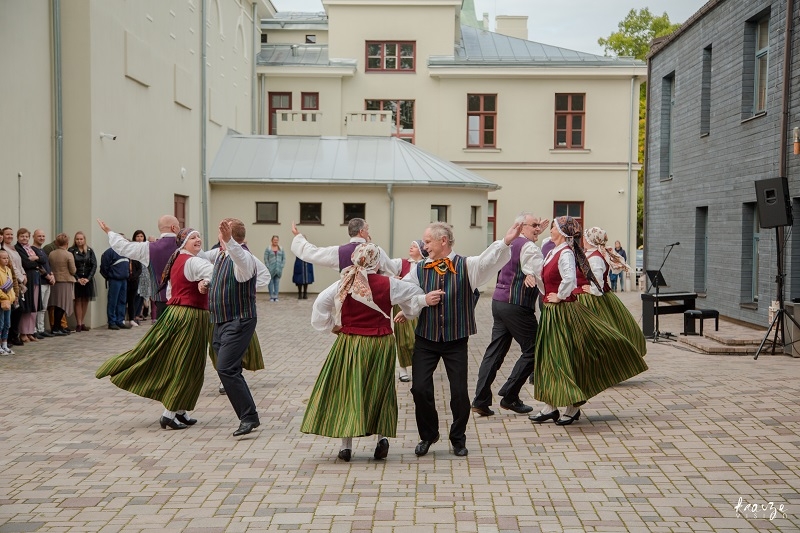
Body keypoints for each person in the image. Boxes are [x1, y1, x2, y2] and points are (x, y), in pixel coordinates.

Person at [401, 221, 522, 458]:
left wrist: (505, 242)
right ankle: (428, 435)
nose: (424, 246)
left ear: (442, 241)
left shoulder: (467, 265)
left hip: (456, 339)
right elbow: (405, 294)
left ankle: (458, 438)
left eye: (427, 242)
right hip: (426, 338)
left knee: (458, 392)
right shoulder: (418, 269)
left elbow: (489, 260)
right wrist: (423, 300)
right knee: (419, 388)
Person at [302, 243, 425, 461]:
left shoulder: (344, 282)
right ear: (377, 262)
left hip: (351, 344)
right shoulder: (389, 284)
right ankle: (381, 439)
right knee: (381, 388)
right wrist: (407, 312)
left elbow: (320, 305)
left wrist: (332, 326)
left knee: (349, 389)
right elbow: (415, 293)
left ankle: (346, 447)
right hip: (381, 343)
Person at [529, 217, 647, 426]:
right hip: (551, 312)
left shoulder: (565, 252)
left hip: (563, 312)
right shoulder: (552, 251)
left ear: (563, 232)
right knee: (549, 357)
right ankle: (550, 406)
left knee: (563, 357)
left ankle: (572, 406)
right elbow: (545, 275)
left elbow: (569, 280)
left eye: (554, 227)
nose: (551, 229)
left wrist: (560, 295)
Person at [96, 227, 213, 430]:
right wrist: (207, 281)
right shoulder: (193, 261)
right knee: (185, 363)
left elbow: (171, 291)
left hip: (177, 313)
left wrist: (112, 234)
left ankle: (180, 410)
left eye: (199, 236)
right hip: (190, 316)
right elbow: (214, 274)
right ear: (183, 242)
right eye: (193, 237)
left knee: (186, 361)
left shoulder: (178, 259)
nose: (198, 239)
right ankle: (169, 414)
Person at [472, 214, 548, 417]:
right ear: (521, 227)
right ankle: (510, 394)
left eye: (539, 226)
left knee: (495, 351)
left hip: (499, 301)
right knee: (536, 349)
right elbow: (541, 274)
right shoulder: (529, 248)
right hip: (517, 304)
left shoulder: (507, 243)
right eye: (534, 225)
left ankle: (480, 400)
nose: (538, 229)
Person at [579, 227, 647, 358]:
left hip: (594, 299)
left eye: (585, 236)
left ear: (590, 240)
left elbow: (598, 280)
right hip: (591, 296)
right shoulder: (590, 253)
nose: (583, 239)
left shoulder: (595, 258)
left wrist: (592, 289)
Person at [97, 215, 180, 320]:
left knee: (165, 334)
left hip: (162, 299)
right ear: (173, 227)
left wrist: (109, 232)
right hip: (185, 299)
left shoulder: (149, 247)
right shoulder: (185, 245)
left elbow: (124, 247)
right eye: (178, 225)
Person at [290, 218, 399, 275]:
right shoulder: (377, 250)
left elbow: (313, 253)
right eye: (367, 229)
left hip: (348, 299)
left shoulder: (339, 251)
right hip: (374, 299)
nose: (368, 232)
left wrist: (298, 237)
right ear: (361, 232)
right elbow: (392, 270)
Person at [388, 240, 428, 382]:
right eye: (410, 245)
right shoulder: (401, 263)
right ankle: (402, 369)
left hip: (420, 303)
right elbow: (382, 267)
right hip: (401, 304)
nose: (410, 247)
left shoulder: (427, 264)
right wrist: (391, 278)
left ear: (422, 250)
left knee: (416, 339)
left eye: (415, 246)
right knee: (402, 339)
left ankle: (419, 368)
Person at [15, 228, 43, 343]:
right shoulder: (18, 248)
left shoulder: (30, 248)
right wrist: (36, 263)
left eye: (26, 236)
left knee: (34, 306)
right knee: (27, 306)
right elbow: (25, 262)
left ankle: (30, 331)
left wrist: (36, 259)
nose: (24, 238)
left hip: (36, 278)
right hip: (28, 279)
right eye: (22, 236)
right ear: (18, 237)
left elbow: (43, 260)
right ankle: (23, 332)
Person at [47, 233, 76, 336]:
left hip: (54, 281)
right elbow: (73, 270)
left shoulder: (51, 253)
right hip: (65, 281)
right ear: (67, 243)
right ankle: (57, 327)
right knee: (62, 305)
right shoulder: (68, 254)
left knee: (56, 305)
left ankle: (57, 326)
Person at [1, 227, 26, 346]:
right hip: (4, 287)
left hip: (13, 283)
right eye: (6, 234)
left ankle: (12, 336)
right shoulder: (4, 250)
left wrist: (23, 275)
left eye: (11, 234)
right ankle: (6, 339)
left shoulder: (13, 249)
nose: (8, 236)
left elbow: (14, 266)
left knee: (17, 308)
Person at [69, 231, 97, 332]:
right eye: (77, 239)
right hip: (77, 279)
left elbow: (94, 265)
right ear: (74, 240)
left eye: (81, 239)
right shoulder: (71, 250)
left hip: (87, 279)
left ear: (84, 239)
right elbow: (70, 266)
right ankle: (79, 323)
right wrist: (78, 278)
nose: (79, 241)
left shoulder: (89, 250)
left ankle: (82, 321)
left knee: (85, 300)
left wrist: (88, 278)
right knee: (78, 300)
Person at [100, 242, 131, 330]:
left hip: (124, 280)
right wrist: (110, 276)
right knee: (113, 301)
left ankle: (120, 321)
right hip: (114, 280)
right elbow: (104, 267)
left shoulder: (125, 252)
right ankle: (112, 322)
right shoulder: (109, 252)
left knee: (122, 301)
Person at [32, 229, 55, 338]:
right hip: (40, 281)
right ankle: (35, 329)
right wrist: (47, 276)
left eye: (43, 236)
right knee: (37, 307)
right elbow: (38, 266)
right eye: (39, 236)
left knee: (44, 307)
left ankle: (41, 329)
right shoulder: (32, 250)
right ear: (34, 237)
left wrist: (52, 275)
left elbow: (47, 265)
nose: (41, 238)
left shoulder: (42, 251)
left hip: (47, 282)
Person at [125, 230, 145, 326]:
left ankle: (134, 316)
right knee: (125, 299)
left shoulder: (143, 249)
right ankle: (124, 318)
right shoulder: (126, 255)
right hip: (126, 278)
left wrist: (134, 276)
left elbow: (139, 268)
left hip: (136, 278)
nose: (140, 238)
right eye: (138, 236)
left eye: (141, 236)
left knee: (136, 298)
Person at [0, 249, 17, 354]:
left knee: (7, 324)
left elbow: (11, 286)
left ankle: (5, 344)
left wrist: (13, 297)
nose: (6, 260)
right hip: (2, 300)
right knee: (0, 324)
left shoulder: (8, 269)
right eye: (3, 258)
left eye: (7, 258)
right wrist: (4, 296)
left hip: (9, 301)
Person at [264, 235, 285, 301]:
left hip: (278, 269)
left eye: (277, 240)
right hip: (270, 269)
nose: (275, 241)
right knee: (270, 282)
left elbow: (283, 258)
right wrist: (268, 266)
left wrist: (281, 266)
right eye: (274, 240)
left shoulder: (281, 248)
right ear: (272, 240)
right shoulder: (268, 248)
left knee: (277, 283)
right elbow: (265, 258)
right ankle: (271, 296)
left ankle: (276, 296)